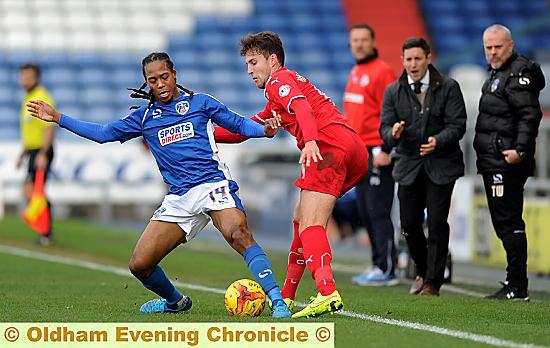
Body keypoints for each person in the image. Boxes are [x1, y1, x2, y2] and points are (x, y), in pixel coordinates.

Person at [26, 52, 292, 318]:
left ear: (174, 75)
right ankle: (175, 302)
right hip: (178, 198)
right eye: (153, 80)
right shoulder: (144, 118)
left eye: (164, 77)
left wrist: (264, 131)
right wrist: (59, 118)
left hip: (212, 185)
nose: (160, 84)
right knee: (140, 264)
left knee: (239, 234)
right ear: (147, 83)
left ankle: (277, 301)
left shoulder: (201, 103)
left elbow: (239, 124)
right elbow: (104, 134)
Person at [216, 31, 368, 318]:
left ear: (272, 60)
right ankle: (286, 298)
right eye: (246, 65)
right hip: (351, 148)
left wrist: (310, 141)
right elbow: (243, 131)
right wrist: (204, 135)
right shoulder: (275, 101)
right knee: (301, 217)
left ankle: (327, 291)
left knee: (311, 222)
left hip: (326, 145)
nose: (249, 71)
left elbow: (302, 107)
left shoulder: (279, 80)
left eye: (253, 62)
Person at [379, 37, 466, 296]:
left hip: (441, 165)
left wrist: (438, 141)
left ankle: (433, 282)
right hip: (408, 166)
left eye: (418, 58)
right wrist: (392, 133)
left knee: (438, 223)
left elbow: (458, 125)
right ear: (402, 61)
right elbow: (383, 128)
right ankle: (422, 269)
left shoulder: (449, 87)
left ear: (429, 58)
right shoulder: (393, 91)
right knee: (409, 224)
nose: (413, 64)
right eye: (408, 59)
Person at [475, 24, 545, 301]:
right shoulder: (499, 72)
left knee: (509, 221)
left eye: (498, 47)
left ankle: (518, 285)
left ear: (511, 46)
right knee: (504, 221)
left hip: (507, 161)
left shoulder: (517, 73)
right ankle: (514, 282)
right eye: (488, 48)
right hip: (494, 159)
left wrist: (520, 150)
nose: (493, 52)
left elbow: (529, 116)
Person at [343, 23, 399, 286]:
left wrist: (385, 148)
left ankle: (387, 267)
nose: (359, 44)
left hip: (378, 150)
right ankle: (378, 262)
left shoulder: (383, 72)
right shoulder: (356, 70)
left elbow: (394, 112)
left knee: (378, 210)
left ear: (372, 41)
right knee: (365, 211)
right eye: (355, 40)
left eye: (364, 40)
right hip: (360, 150)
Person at [16, 63, 57, 246]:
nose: (23, 80)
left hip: (41, 151)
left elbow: (49, 128)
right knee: (30, 191)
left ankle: (46, 232)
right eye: (22, 76)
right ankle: (44, 229)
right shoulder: (28, 97)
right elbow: (30, 130)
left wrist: (43, 153)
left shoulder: (41, 97)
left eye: (27, 76)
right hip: (32, 151)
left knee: (35, 191)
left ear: (36, 78)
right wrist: (22, 153)